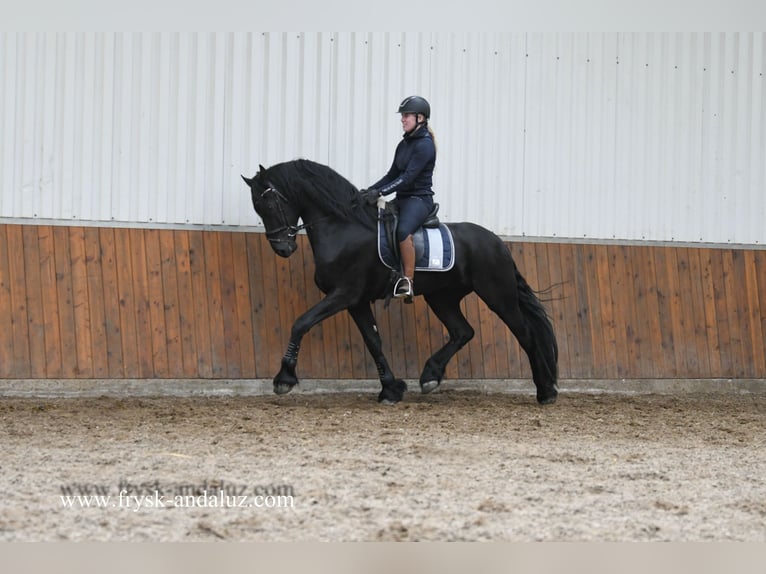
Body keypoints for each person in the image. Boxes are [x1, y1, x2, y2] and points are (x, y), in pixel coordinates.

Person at [360, 95, 436, 301]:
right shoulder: (404, 144)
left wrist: (381, 193)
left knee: (402, 230)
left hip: (419, 200)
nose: (402, 119)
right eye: (402, 116)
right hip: (402, 198)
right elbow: (391, 175)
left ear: (420, 118)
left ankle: (407, 281)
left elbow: (408, 177)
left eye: (406, 116)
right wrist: (369, 190)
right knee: (379, 222)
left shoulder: (425, 146)